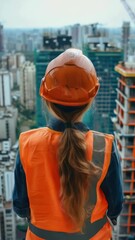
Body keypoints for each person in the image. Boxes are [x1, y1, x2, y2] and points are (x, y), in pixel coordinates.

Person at [13, 48, 124, 240]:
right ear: (92, 95)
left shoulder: (28, 144)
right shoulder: (103, 146)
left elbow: (20, 206)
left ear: (44, 95)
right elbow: (116, 206)